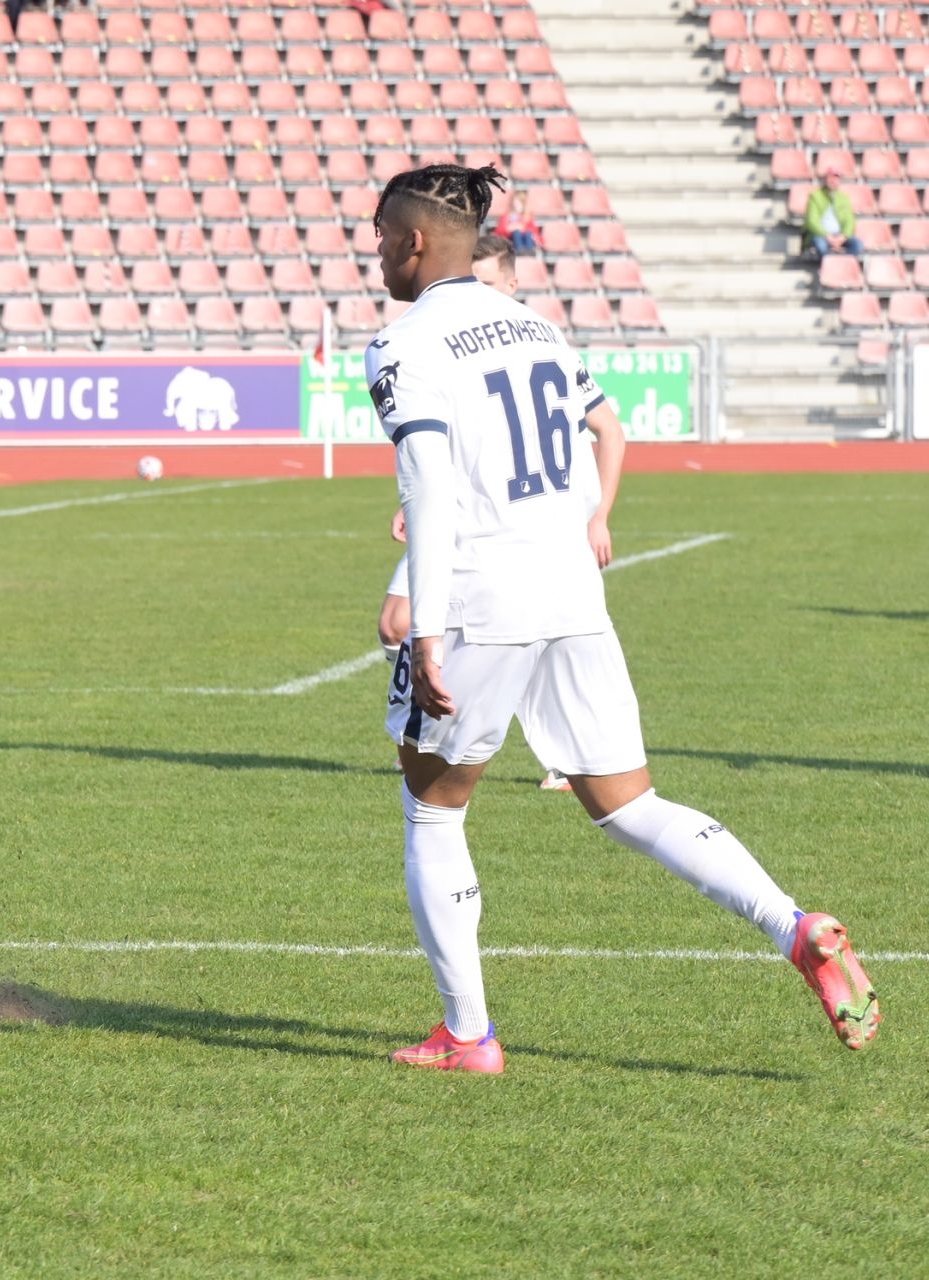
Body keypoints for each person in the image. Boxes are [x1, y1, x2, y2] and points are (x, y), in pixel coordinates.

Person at [368, 164, 878, 1073]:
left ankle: (467, 1035)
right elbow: (581, 439)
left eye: (378, 239)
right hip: (570, 584)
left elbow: (432, 482)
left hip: (484, 594)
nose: (375, 255)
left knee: (433, 809)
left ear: (412, 243)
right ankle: (794, 926)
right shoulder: (538, 327)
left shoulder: (404, 343)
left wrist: (428, 617)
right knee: (629, 803)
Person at [376, 234, 626, 793]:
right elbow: (466, 446)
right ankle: (428, 739)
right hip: (460, 521)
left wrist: (599, 515)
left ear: (512, 286)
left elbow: (606, 428)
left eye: (488, 284)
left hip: (510, 537)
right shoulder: (453, 344)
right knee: (395, 622)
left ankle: (543, 747)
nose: (476, 294)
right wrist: (414, 502)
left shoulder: (539, 342)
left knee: (523, 637)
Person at [803, 170, 864, 259]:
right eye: (831, 178)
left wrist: (844, 236)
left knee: (857, 245)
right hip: (821, 235)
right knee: (821, 245)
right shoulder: (815, 196)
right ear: (825, 180)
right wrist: (827, 236)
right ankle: (828, 266)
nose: (833, 181)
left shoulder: (844, 198)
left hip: (839, 235)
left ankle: (843, 264)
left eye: (836, 178)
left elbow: (850, 220)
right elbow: (812, 221)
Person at [493, 190, 542, 255]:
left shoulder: (527, 217)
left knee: (528, 233)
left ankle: (530, 252)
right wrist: (509, 228)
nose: (516, 205)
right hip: (511, 239)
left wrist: (522, 228)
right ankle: (519, 251)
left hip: (526, 239)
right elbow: (499, 231)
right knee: (517, 233)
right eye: (515, 203)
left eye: (519, 203)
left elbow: (534, 231)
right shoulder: (506, 216)